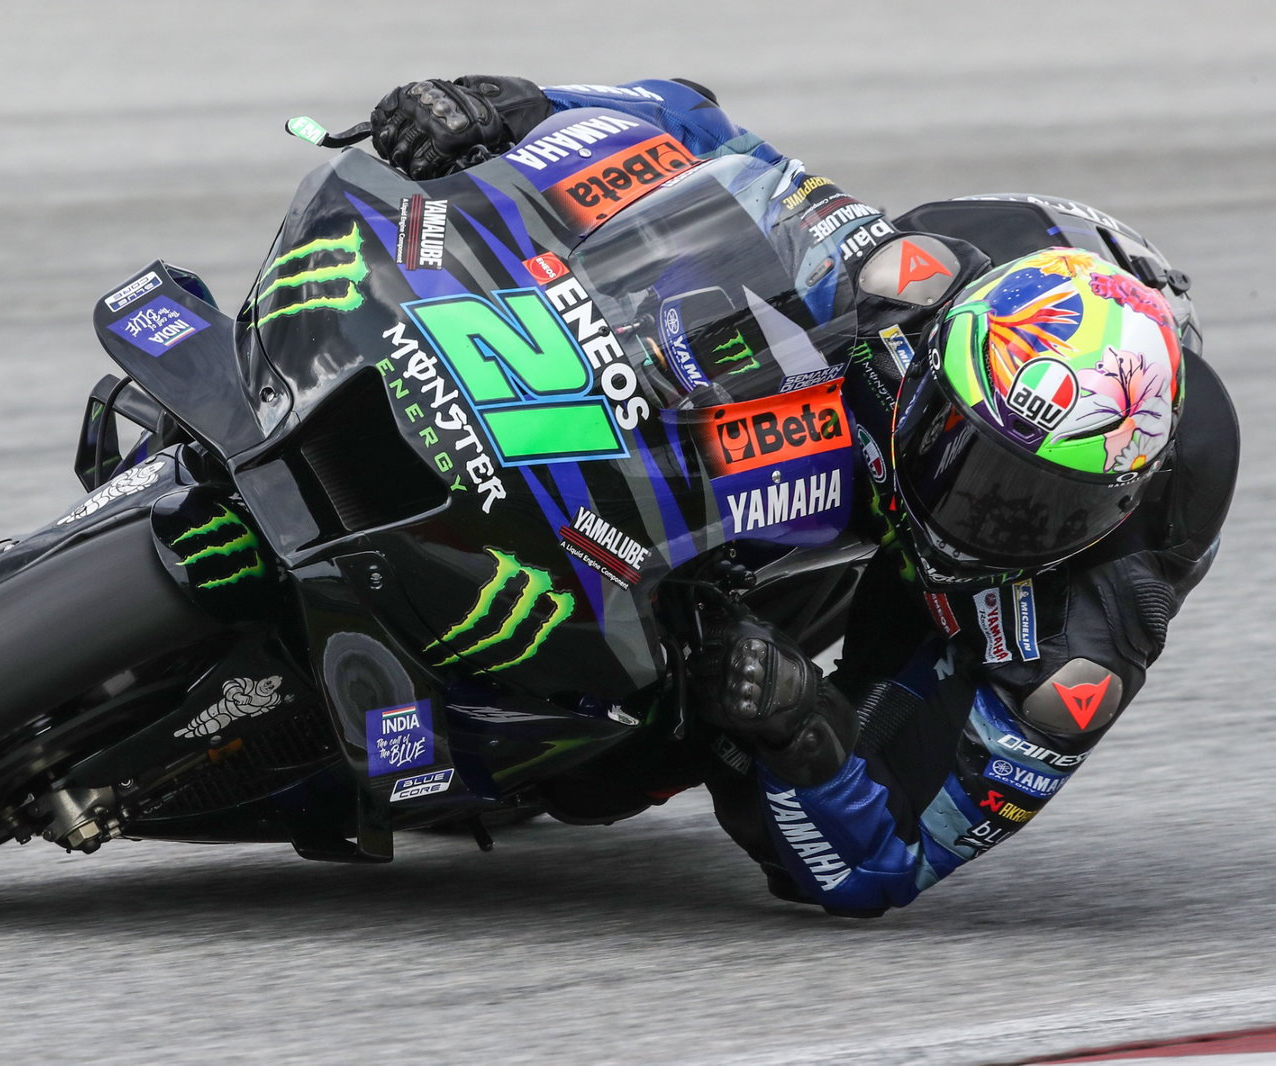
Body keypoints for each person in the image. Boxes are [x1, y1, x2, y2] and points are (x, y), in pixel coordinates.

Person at [367, 76, 1239, 916]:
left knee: (641, 763)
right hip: (1003, 277)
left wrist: (800, 734)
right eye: (970, 462)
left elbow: (890, 866)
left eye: (1041, 507)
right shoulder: (908, 281)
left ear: (1117, 503)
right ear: (935, 369)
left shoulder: (1088, 635)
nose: (986, 514)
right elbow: (693, 129)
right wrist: (514, 105)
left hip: (974, 599)